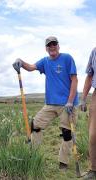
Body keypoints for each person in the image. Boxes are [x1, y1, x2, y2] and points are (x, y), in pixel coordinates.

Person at [13, 36, 78, 170]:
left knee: (67, 133)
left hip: (67, 104)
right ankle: (33, 155)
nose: (52, 47)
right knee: (35, 125)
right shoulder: (45, 61)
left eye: (54, 44)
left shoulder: (67, 58)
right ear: (46, 48)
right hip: (50, 104)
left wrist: (70, 101)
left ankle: (63, 163)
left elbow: (74, 80)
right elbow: (31, 67)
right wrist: (20, 61)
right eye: (49, 45)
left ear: (58, 46)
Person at [80, 47, 96, 179]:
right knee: (93, 134)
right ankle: (93, 169)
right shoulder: (94, 52)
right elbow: (90, 76)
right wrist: (83, 99)